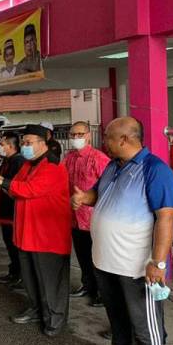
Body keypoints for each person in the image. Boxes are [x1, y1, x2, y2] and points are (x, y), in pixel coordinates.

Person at [72, 117, 173, 345]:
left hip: (136, 266)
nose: (102, 141)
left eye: (107, 136)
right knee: (116, 314)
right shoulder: (113, 166)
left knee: (145, 322)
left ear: (124, 140)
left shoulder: (155, 169)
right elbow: (100, 196)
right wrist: (85, 198)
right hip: (105, 261)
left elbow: (166, 217)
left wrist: (159, 262)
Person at [0, 124, 72, 337]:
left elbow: (30, 190)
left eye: (28, 142)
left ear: (43, 143)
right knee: (31, 277)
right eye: (24, 142)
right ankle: (36, 309)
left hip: (47, 236)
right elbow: (17, 186)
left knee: (50, 281)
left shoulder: (52, 165)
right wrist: (6, 184)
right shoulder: (29, 165)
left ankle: (55, 319)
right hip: (27, 233)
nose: (25, 146)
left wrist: (2, 182)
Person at [63, 121, 110, 307]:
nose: (76, 138)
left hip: (93, 218)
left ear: (88, 135)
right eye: (73, 135)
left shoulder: (99, 158)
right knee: (82, 255)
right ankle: (87, 285)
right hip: (74, 217)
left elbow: (107, 188)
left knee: (98, 258)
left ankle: (102, 292)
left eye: (80, 134)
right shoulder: (69, 158)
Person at [0, 132, 25, 288]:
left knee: (15, 246)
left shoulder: (18, 162)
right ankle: (14, 271)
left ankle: (20, 275)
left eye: (2, 144)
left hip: (13, 212)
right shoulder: (7, 161)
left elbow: (14, 186)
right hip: (5, 210)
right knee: (9, 244)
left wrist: (0, 181)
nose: (0, 147)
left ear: (11, 146)